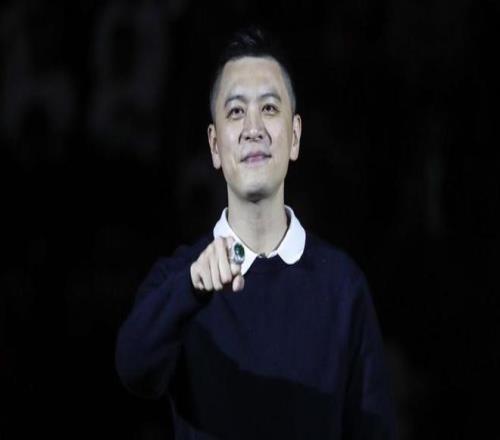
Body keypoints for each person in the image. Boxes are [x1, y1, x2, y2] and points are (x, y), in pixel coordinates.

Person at [115, 27, 396, 439]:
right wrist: (191, 288)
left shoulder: (342, 286)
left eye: (268, 108)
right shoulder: (180, 280)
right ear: (215, 146)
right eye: (235, 112)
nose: (253, 128)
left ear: (294, 137)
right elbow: (134, 370)